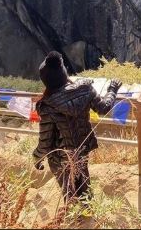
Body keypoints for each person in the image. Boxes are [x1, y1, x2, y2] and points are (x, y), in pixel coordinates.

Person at [32, 51, 122, 204]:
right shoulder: (85, 90)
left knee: (70, 194)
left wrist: (36, 158)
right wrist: (112, 89)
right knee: (84, 188)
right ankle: (88, 216)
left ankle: (77, 220)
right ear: (64, 72)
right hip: (81, 151)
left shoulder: (47, 104)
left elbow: (45, 142)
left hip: (60, 159)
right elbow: (104, 108)